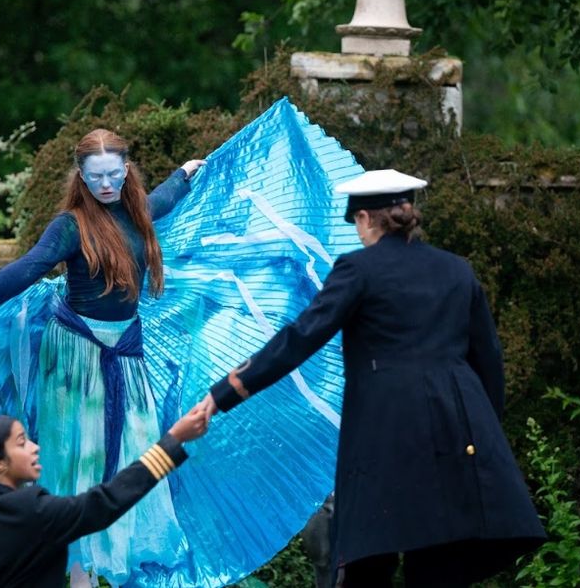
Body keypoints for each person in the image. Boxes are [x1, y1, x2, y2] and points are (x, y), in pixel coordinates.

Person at [195, 169, 546, 587]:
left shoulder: (359, 269)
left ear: (364, 219)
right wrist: (484, 431)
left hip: (386, 430)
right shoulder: (456, 270)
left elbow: (300, 338)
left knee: (368, 554)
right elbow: (489, 360)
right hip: (455, 429)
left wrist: (225, 393)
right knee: (436, 557)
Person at [0, 128, 206, 583]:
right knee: (77, 462)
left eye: (114, 174)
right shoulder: (71, 226)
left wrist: (186, 173)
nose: (106, 185)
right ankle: (78, 579)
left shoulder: (139, 215)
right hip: (75, 359)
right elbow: (29, 266)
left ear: (127, 169)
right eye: (96, 177)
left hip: (126, 354)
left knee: (135, 448)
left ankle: (117, 570)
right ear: (81, 175)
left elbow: (164, 198)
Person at [0, 406, 208, 587]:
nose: (35, 447)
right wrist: (172, 440)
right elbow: (107, 502)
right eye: (21, 442)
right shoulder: (32, 511)